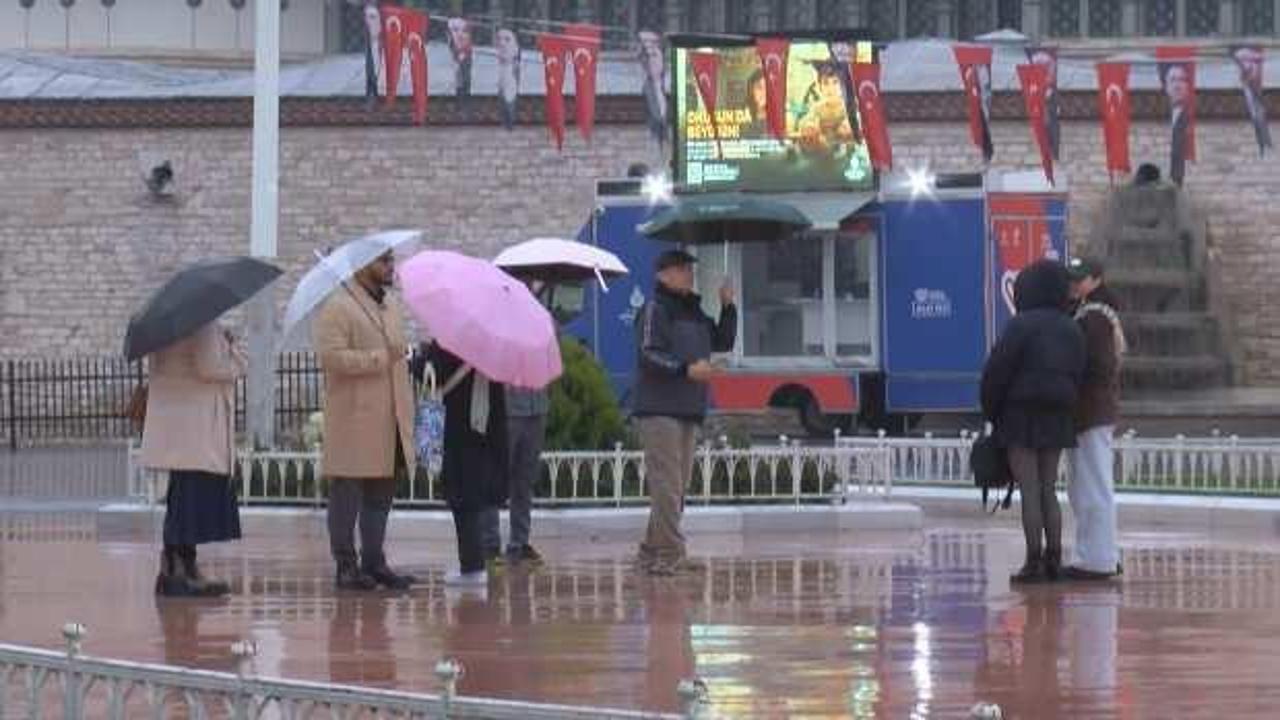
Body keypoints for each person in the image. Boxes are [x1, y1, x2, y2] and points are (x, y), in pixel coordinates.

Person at [313, 251, 417, 592]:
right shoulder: (339, 307)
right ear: (362, 266)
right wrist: (378, 358)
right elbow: (331, 358)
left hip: (390, 418)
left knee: (380, 496)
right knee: (347, 495)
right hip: (355, 418)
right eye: (383, 261)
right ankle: (346, 565)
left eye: (391, 261)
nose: (390, 267)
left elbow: (397, 355)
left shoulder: (389, 306)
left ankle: (375, 562)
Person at [981, 259, 1086, 584]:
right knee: (1048, 489)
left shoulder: (1020, 325)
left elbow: (996, 372)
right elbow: (1079, 373)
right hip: (1058, 417)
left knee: (1029, 490)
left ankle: (1033, 562)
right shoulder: (1071, 327)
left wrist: (992, 411)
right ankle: (1055, 560)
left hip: (1020, 416)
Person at [633, 249, 736, 576]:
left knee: (678, 484)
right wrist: (685, 370)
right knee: (667, 484)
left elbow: (723, 340)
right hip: (658, 408)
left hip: (689, 407)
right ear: (663, 274)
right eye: (682, 269)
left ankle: (651, 552)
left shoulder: (694, 311)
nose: (690, 274)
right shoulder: (654, 309)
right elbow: (649, 354)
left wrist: (728, 305)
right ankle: (671, 552)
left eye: (690, 269)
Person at [141, 322, 245, 597]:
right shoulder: (202, 325)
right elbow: (210, 367)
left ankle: (179, 567)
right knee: (191, 496)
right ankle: (178, 571)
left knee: (182, 494)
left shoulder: (164, 328)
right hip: (197, 421)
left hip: (178, 419)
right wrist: (234, 353)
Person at [417, 344, 509, 587]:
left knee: (463, 504)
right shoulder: (492, 348)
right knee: (475, 501)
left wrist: (419, 357)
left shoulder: (451, 344)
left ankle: (472, 567)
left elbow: (429, 374)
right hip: (485, 433)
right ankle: (475, 563)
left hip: (459, 435)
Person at [1065, 258, 1125, 580]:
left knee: (1092, 487)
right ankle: (1097, 554)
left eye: (1081, 278)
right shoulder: (1093, 312)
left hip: (1091, 411)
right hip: (1092, 411)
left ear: (1096, 279)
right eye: (1073, 278)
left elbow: (1098, 366)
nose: (1075, 283)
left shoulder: (1095, 318)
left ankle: (1097, 558)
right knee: (1087, 486)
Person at [481, 341, 548, 567]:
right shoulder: (500, 327)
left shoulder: (538, 322)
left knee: (525, 480)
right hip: (507, 410)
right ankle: (490, 544)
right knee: (497, 477)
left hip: (536, 408)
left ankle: (519, 542)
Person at [1232, 46, 1273, 155]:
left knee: (1259, 114)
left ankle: (1264, 142)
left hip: (1255, 90)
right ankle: (1263, 142)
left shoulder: (1254, 62)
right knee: (1257, 115)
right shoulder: (1244, 61)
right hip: (1251, 90)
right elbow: (1245, 74)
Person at [1161, 63, 1193, 185]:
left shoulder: (1189, 115)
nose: (1177, 85)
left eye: (1182, 80)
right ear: (1166, 85)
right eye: (1173, 80)